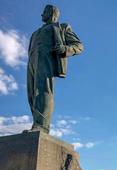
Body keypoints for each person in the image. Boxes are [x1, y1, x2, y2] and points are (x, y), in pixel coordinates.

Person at [26, 4, 83, 134]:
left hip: (47, 59)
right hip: (32, 61)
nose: (41, 14)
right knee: (31, 94)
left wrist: (65, 49)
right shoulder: (35, 33)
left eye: (44, 12)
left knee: (43, 90)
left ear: (52, 13)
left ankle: (42, 126)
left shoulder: (61, 27)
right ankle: (36, 122)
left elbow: (79, 46)